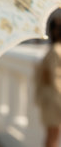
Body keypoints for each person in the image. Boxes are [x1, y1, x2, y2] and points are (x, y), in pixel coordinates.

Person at [35, 14, 61, 147]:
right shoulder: (56, 51)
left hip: (49, 99)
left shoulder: (52, 50)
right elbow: (55, 79)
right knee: (53, 135)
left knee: (52, 134)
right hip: (54, 100)